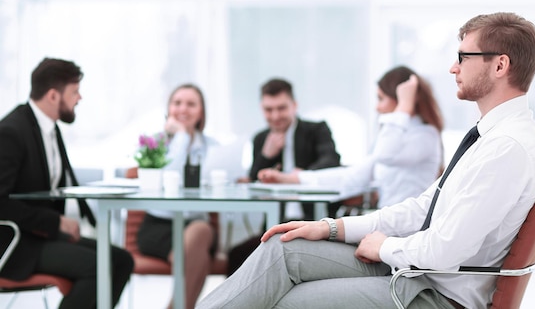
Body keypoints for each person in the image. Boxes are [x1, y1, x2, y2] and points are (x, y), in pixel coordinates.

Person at [196, 12, 535, 309]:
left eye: (464, 57)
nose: (453, 67)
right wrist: (333, 228)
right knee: (282, 249)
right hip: (415, 271)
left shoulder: (507, 148)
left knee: (286, 300)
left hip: (433, 293)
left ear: (500, 64)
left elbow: (446, 249)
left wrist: (385, 247)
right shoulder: (490, 136)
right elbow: (422, 207)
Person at [0, 58, 134, 309]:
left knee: (121, 259)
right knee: (97, 267)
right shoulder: (11, 132)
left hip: (41, 237)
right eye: (75, 92)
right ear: (53, 95)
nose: (79, 98)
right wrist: (56, 222)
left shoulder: (49, 128)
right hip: (16, 244)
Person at [257, 66, 444, 210]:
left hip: (406, 236)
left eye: (381, 99)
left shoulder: (425, 135)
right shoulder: (395, 135)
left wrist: (404, 106)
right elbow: (352, 177)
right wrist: (290, 179)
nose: (377, 107)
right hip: (388, 228)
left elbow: (385, 154)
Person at [227, 78, 341, 275]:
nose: (275, 115)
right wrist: (266, 155)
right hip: (275, 226)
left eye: (281, 108)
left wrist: (299, 176)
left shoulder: (316, 130)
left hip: (313, 223)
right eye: (268, 110)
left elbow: (331, 161)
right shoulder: (261, 139)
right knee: (237, 256)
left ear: (294, 106)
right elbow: (255, 178)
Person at [136, 83, 222, 309]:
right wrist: (182, 137)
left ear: (201, 112)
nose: (183, 109)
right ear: (168, 109)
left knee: (201, 231)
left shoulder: (214, 147)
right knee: (195, 256)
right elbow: (168, 179)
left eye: (191, 104)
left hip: (197, 225)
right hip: (159, 226)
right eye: (177, 103)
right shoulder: (154, 143)